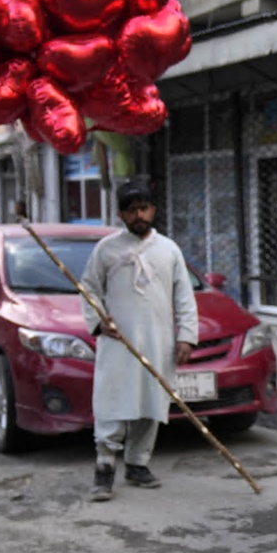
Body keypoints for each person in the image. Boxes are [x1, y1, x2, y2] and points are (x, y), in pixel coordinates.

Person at [80, 180, 199, 502]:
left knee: (151, 403)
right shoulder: (106, 249)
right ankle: (104, 467)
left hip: (158, 343)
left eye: (144, 208)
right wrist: (100, 320)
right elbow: (88, 288)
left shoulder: (169, 249)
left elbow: (184, 297)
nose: (139, 215)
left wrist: (187, 336)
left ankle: (137, 463)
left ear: (153, 210)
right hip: (119, 342)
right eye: (131, 210)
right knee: (112, 402)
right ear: (121, 214)